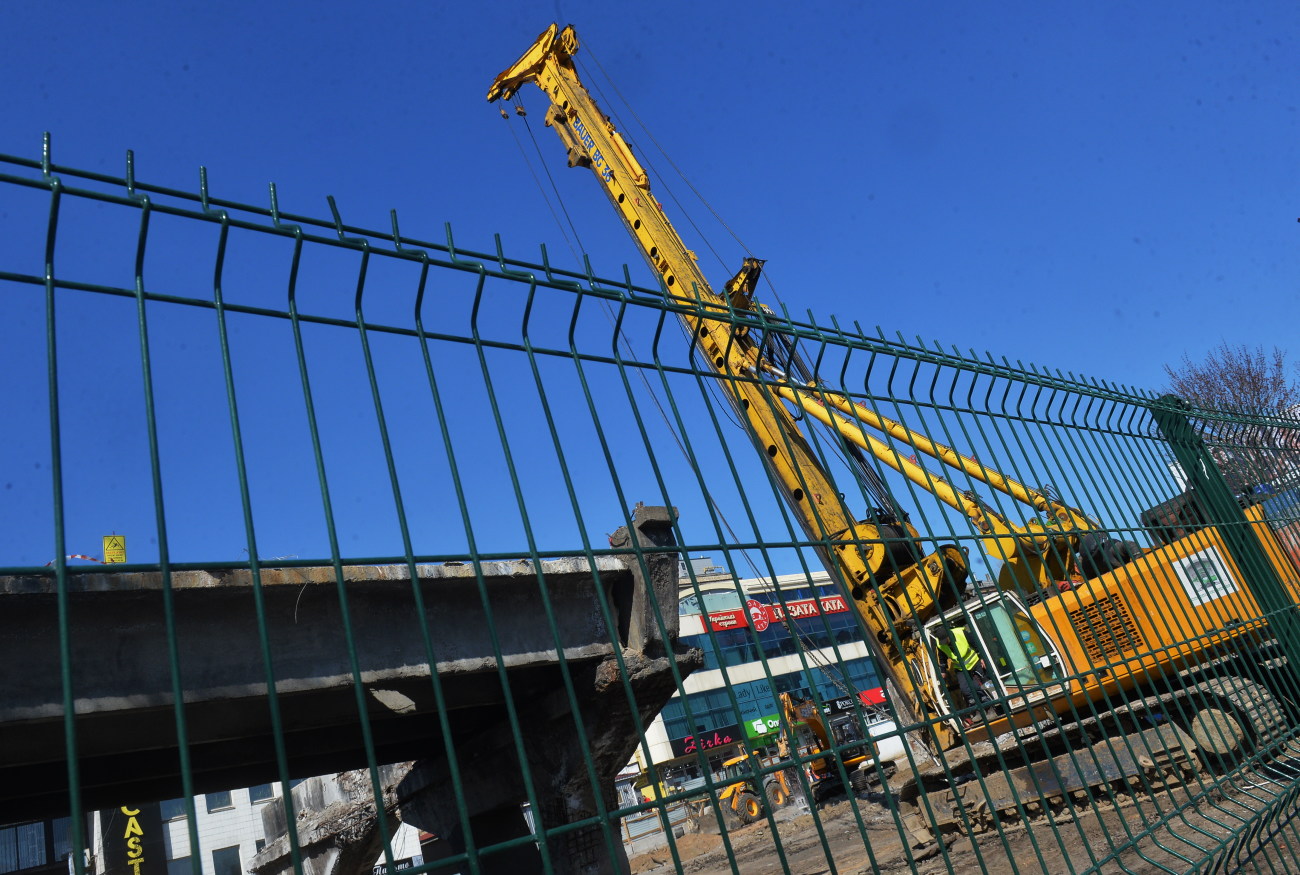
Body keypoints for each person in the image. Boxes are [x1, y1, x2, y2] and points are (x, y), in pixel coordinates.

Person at [932, 626, 993, 724]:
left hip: (975, 662)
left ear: (949, 635)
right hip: (960, 668)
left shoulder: (961, 633)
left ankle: (991, 708)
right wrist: (943, 671)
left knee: (981, 686)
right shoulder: (940, 644)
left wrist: (981, 657)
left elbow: (976, 644)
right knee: (965, 690)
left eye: (946, 640)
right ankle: (977, 711)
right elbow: (942, 658)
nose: (945, 643)